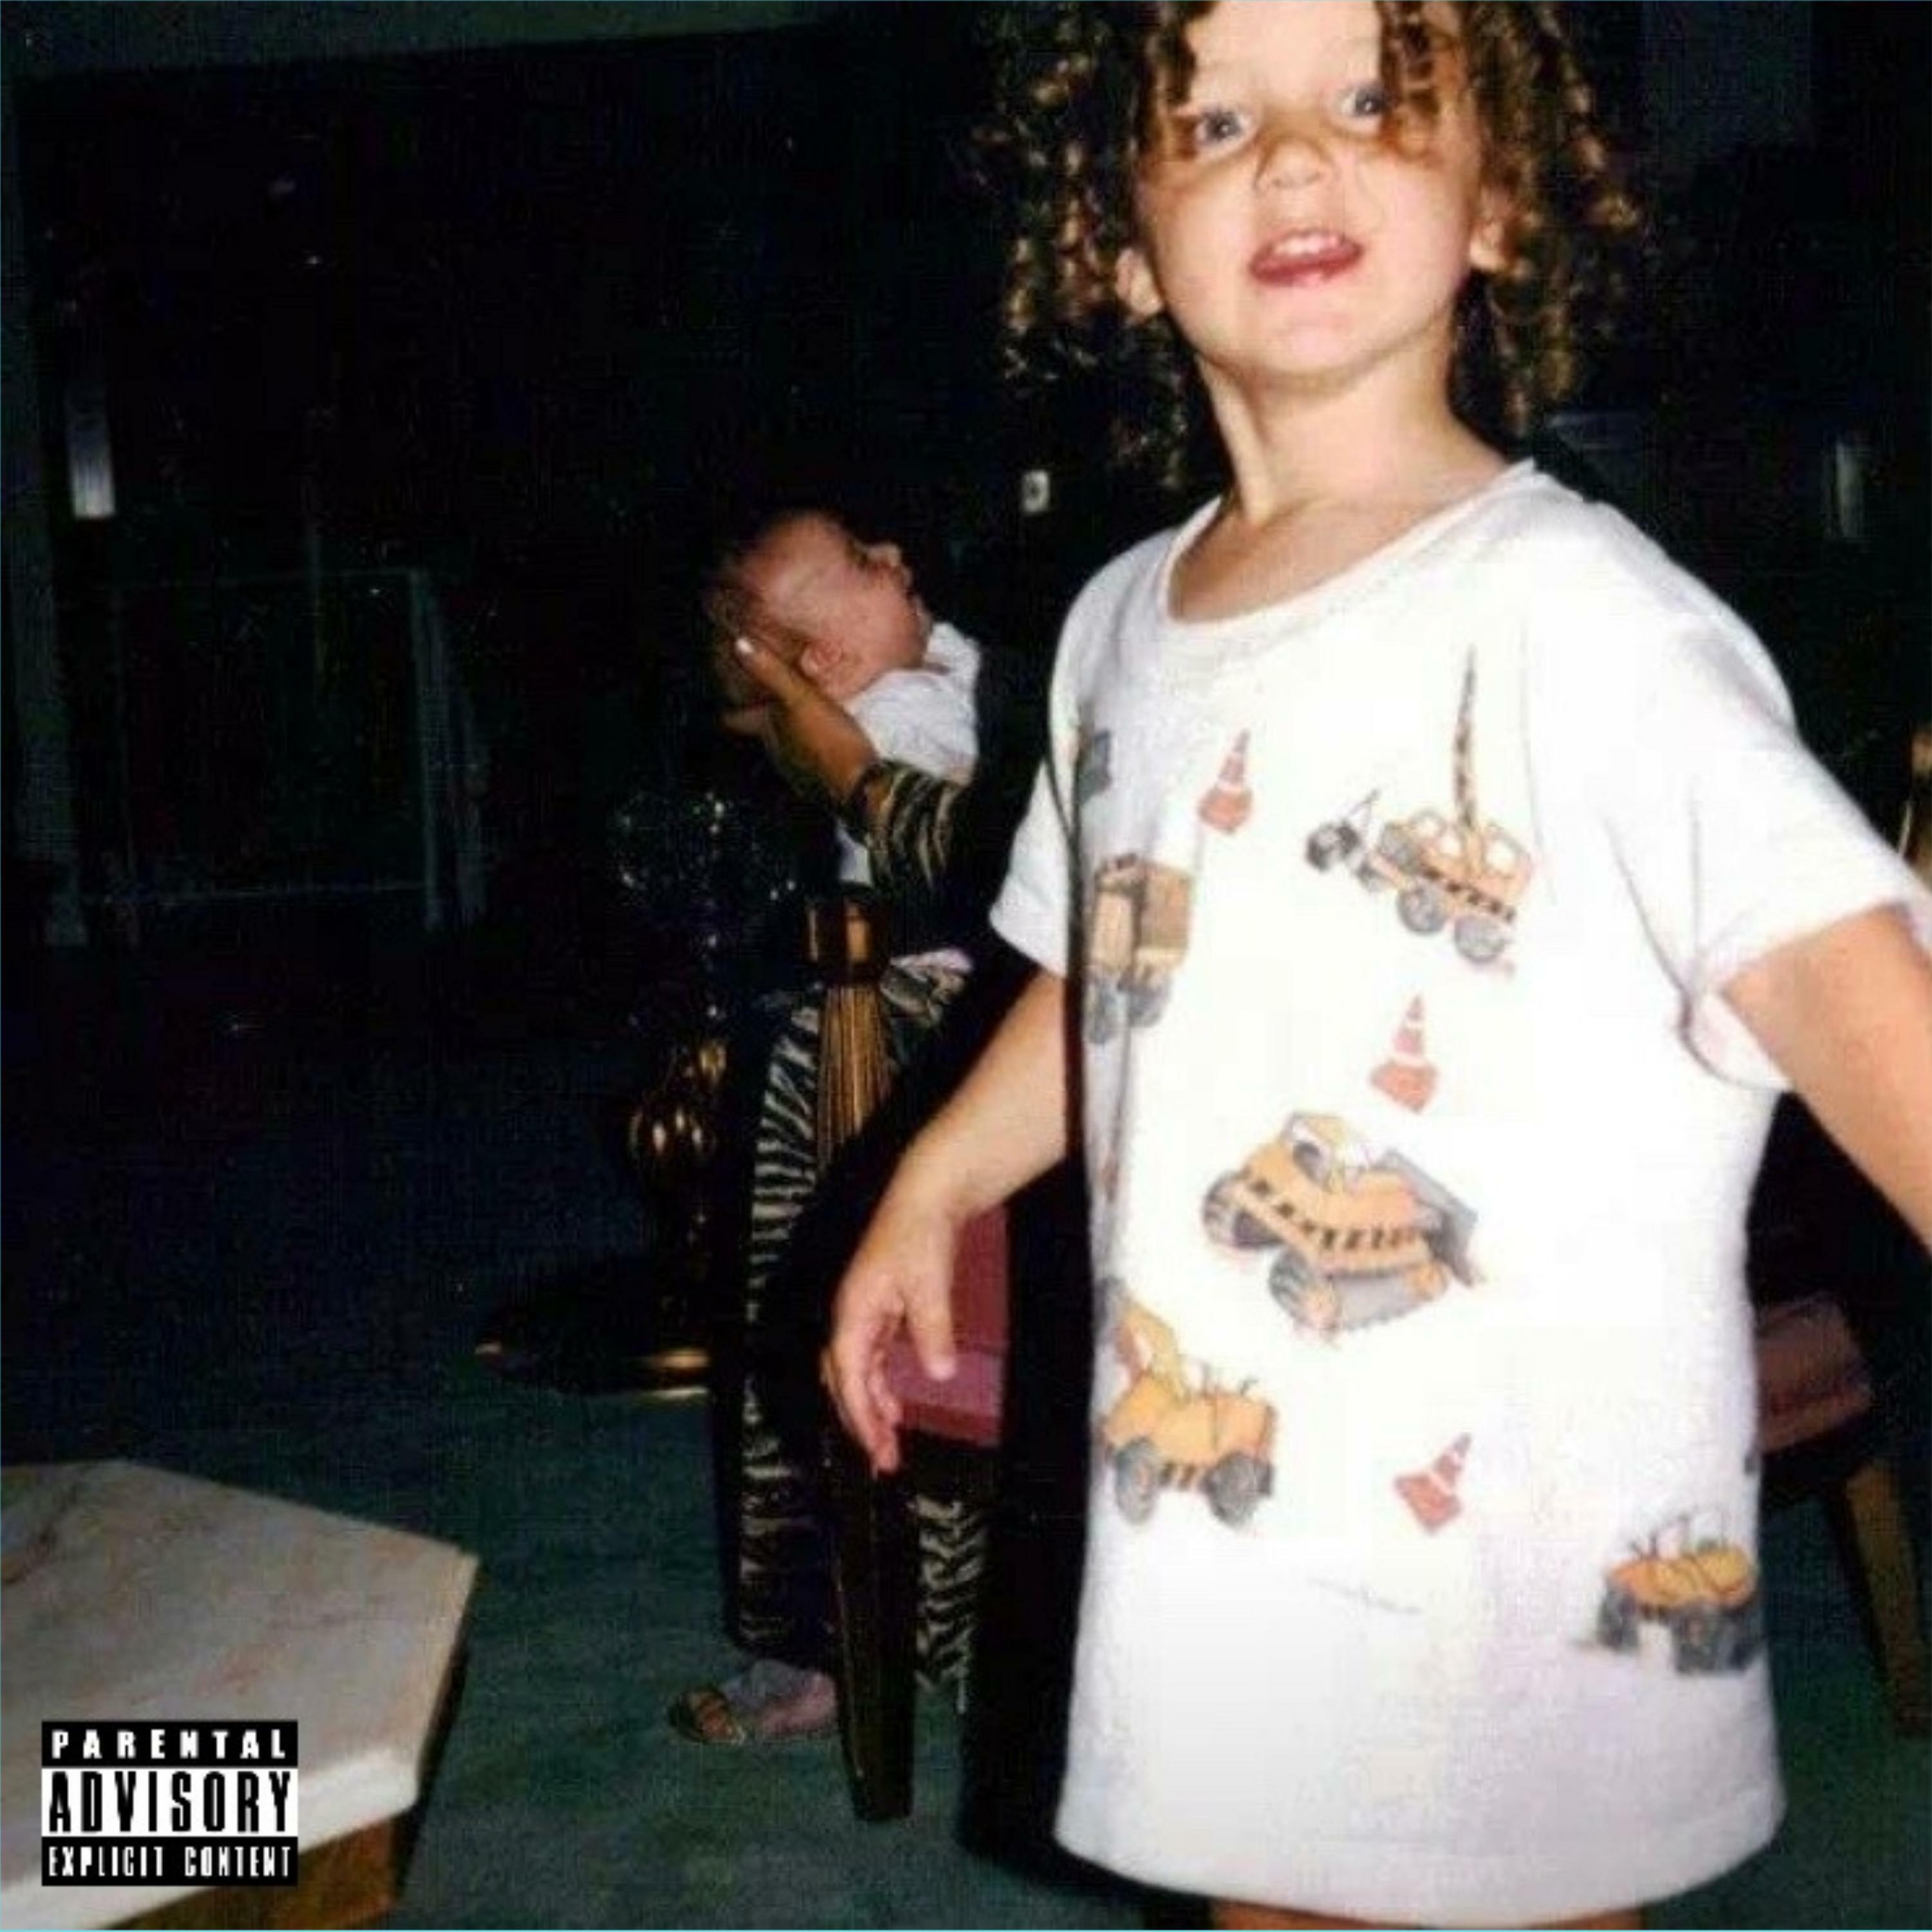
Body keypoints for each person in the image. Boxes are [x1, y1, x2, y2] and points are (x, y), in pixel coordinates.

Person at [822, 5, 1932, 1928]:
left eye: (1368, 102)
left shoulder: (1575, 614)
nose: (1293, 157)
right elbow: (1106, 961)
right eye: (1213, 121)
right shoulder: (1113, 626)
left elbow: (1836, 975)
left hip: (1524, 1540)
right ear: (1114, 237)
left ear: (1494, 203)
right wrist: (934, 1175)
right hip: (1228, 1520)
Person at [669, 511, 1014, 1748]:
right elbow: (953, 836)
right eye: (867, 565)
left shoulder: (933, 681)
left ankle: (900, 1624)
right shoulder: (897, 719)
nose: (901, 557)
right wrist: (788, 704)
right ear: (821, 665)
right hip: (904, 1020)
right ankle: (819, 1625)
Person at [704, 509, 981, 887]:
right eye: (862, 562)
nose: (891, 551)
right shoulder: (883, 727)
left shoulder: (930, 646)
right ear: (827, 657)